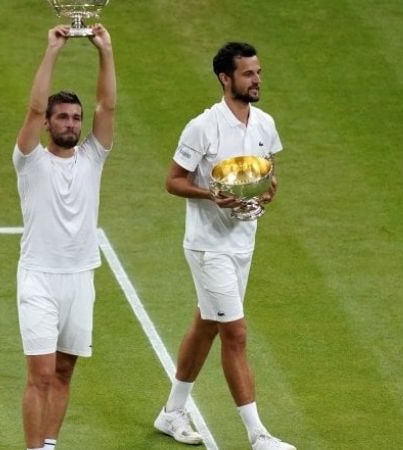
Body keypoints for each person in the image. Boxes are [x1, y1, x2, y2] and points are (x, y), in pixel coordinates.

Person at [153, 42, 296, 450]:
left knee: (207, 325)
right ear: (225, 78)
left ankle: (171, 412)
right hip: (207, 246)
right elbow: (173, 181)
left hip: (243, 242)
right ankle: (258, 435)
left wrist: (268, 192)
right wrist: (210, 195)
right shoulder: (202, 127)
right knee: (235, 332)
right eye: (248, 74)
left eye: (258, 72)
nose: (257, 80)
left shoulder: (265, 123)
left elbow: (267, 172)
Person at [12, 24, 115, 450]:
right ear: (50, 123)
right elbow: (33, 110)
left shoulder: (93, 156)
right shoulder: (30, 160)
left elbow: (107, 106)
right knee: (39, 375)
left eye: (76, 118)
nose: (71, 123)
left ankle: (50, 445)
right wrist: (52, 51)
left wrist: (105, 51)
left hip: (80, 278)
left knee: (65, 371)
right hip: (38, 278)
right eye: (62, 117)